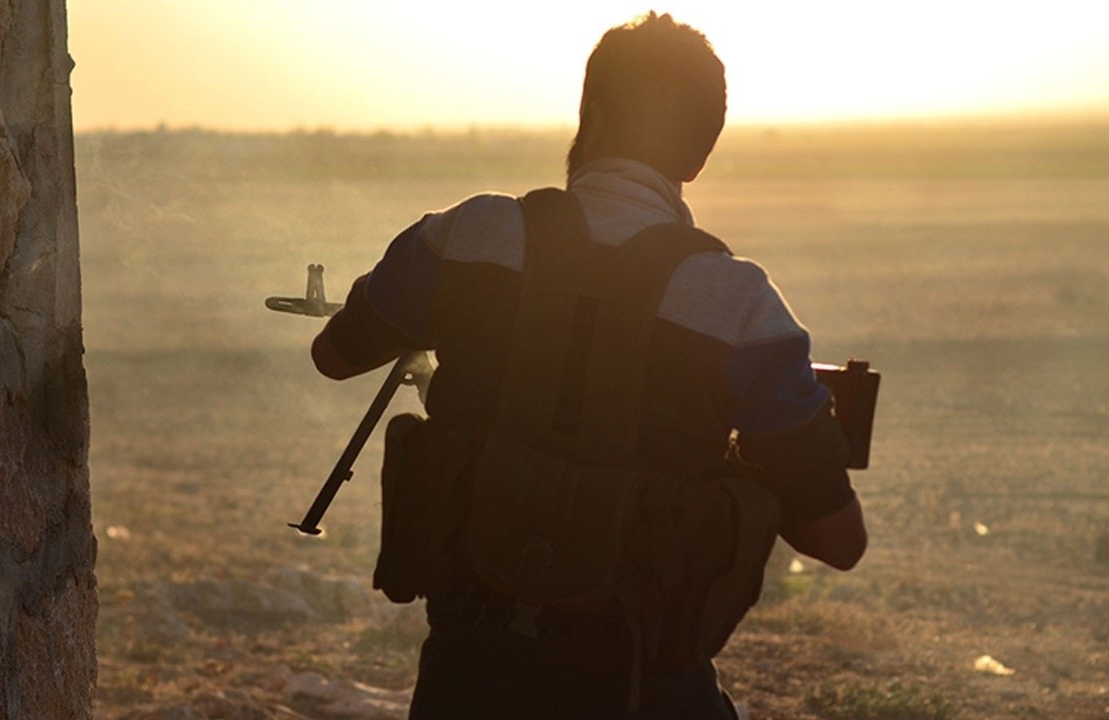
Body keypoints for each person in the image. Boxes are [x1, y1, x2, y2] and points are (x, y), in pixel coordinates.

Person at [311, 12, 866, 719]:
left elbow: (334, 356)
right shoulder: (742, 306)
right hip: (644, 687)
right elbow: (838, 541)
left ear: (590, 116)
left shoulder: (464, 233)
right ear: (698, 158)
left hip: (467, 672)